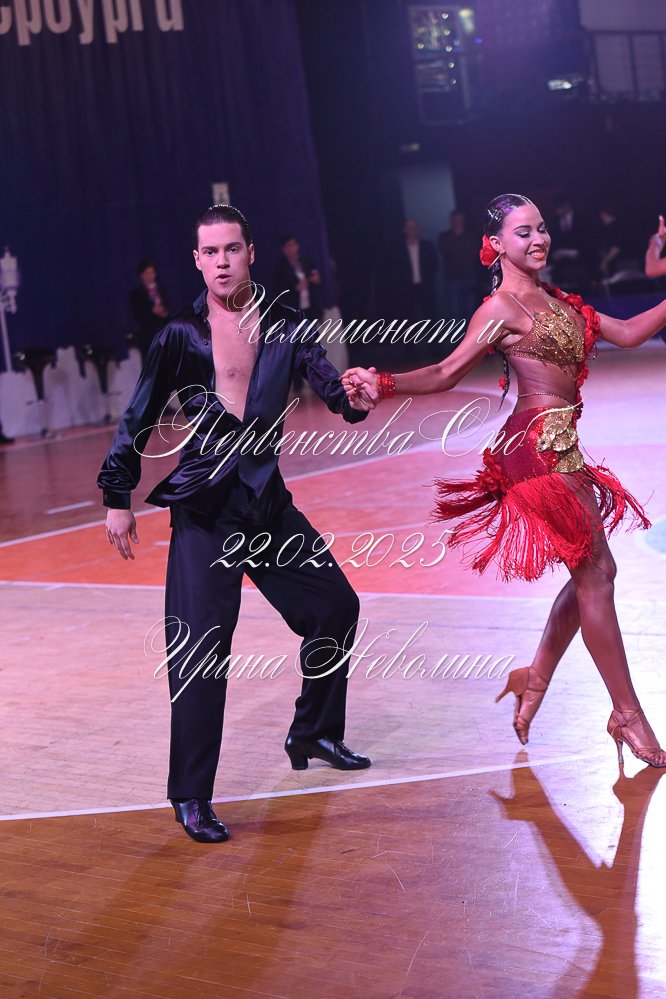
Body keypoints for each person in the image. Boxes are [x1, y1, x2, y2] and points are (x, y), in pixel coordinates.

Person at [343, 192, 666, 768]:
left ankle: (534, 679)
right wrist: (384, 384)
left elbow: (628, 333)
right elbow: (445, 371)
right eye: (524, 232)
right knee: (595, 575)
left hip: (562, 444)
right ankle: (627, 713)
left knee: (593, 571)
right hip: (534, 451)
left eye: (541, 228)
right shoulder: (500, 308)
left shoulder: (558, 300)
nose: (538, 239)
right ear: (495, 244)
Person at [100, 204, 372, 844]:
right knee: (200, 653)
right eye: (210, 252)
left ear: (249, 253)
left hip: (265, 503)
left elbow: (331, 387)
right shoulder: (180, 335)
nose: (222, 262)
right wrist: (118, 494)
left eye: (232, 249)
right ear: (197, 261)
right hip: (206, 511)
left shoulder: (284, 323)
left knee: (335, 607)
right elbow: (140, 413)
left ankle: (314, 731)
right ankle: (191, 795)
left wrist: (355, 398)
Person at [438, 209, 480, 323]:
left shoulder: (470, 236)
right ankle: (458, 333)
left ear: (463, 221)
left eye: (460, 220)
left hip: (469, 277)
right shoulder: (445, 237)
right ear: (451, 221)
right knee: (455, 311)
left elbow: (476, 253)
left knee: (470, 309)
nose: (458, 223)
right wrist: (455, 236)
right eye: (455, 220)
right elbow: (443, 250)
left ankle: (470, 333)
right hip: (452, 279)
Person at [129, 260, 170, 360]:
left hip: (163, 333)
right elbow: (137, 315)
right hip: (148, 336)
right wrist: (152, 311)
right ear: (141, 275)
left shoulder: (162, 290)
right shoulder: (136, 294)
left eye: (152, 273)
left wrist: (165, 313)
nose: (150, 276)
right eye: (147, 273)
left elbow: (170, 307)